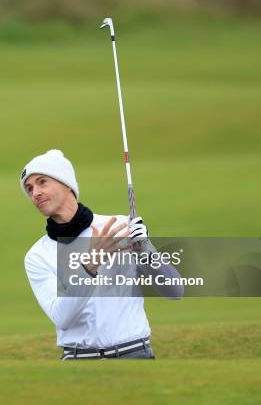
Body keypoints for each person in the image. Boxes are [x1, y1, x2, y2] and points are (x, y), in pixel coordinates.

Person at [20, 149, 183, 360]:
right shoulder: (37, 255)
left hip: (134, 354)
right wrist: (90, 265)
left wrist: (147, 250)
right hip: (78, 361)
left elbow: (175, 291)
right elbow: (62, 317)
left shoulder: (119, 227)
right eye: (29, 188)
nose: (35, 193)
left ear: (67, 184)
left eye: (42, 182)